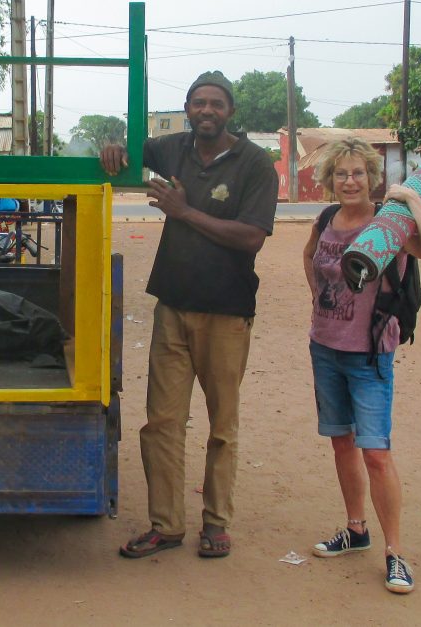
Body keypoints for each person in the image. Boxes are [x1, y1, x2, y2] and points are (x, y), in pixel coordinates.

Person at [100, 71, 279, 559]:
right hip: (172, 308)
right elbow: (129, 153)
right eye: (198, 103)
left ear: (230, 112)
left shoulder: (255, 164)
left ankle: (217, 523)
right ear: (187, 109)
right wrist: (115, 147)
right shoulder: (174, 147)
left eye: (215, 104)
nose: (206, 111)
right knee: (162, 421)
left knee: (222, 424)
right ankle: (166, 525)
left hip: (227, 312)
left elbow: (250, 236)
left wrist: (183, 212)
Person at [301, 137, 421, 594]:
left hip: (369, 355)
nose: (349, 181)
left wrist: (410, 198)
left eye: (358, 173)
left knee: (377, 454)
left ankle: (395, 553)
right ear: (330, 180)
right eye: (341, 174)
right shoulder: (326, 219)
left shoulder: (390, 223)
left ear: (371, 177)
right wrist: (318, 299)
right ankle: (355, 529)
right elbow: (309, 257)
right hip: (324, 347)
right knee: (341, 444)